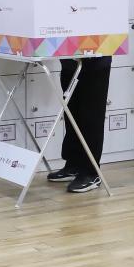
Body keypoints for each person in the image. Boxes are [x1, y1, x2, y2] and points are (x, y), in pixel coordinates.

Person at [45, 56, 111, 193]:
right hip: (69, 61)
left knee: (91, 118)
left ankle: (91, 172)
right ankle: (73, 165)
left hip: (95, 61)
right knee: (71, 117)